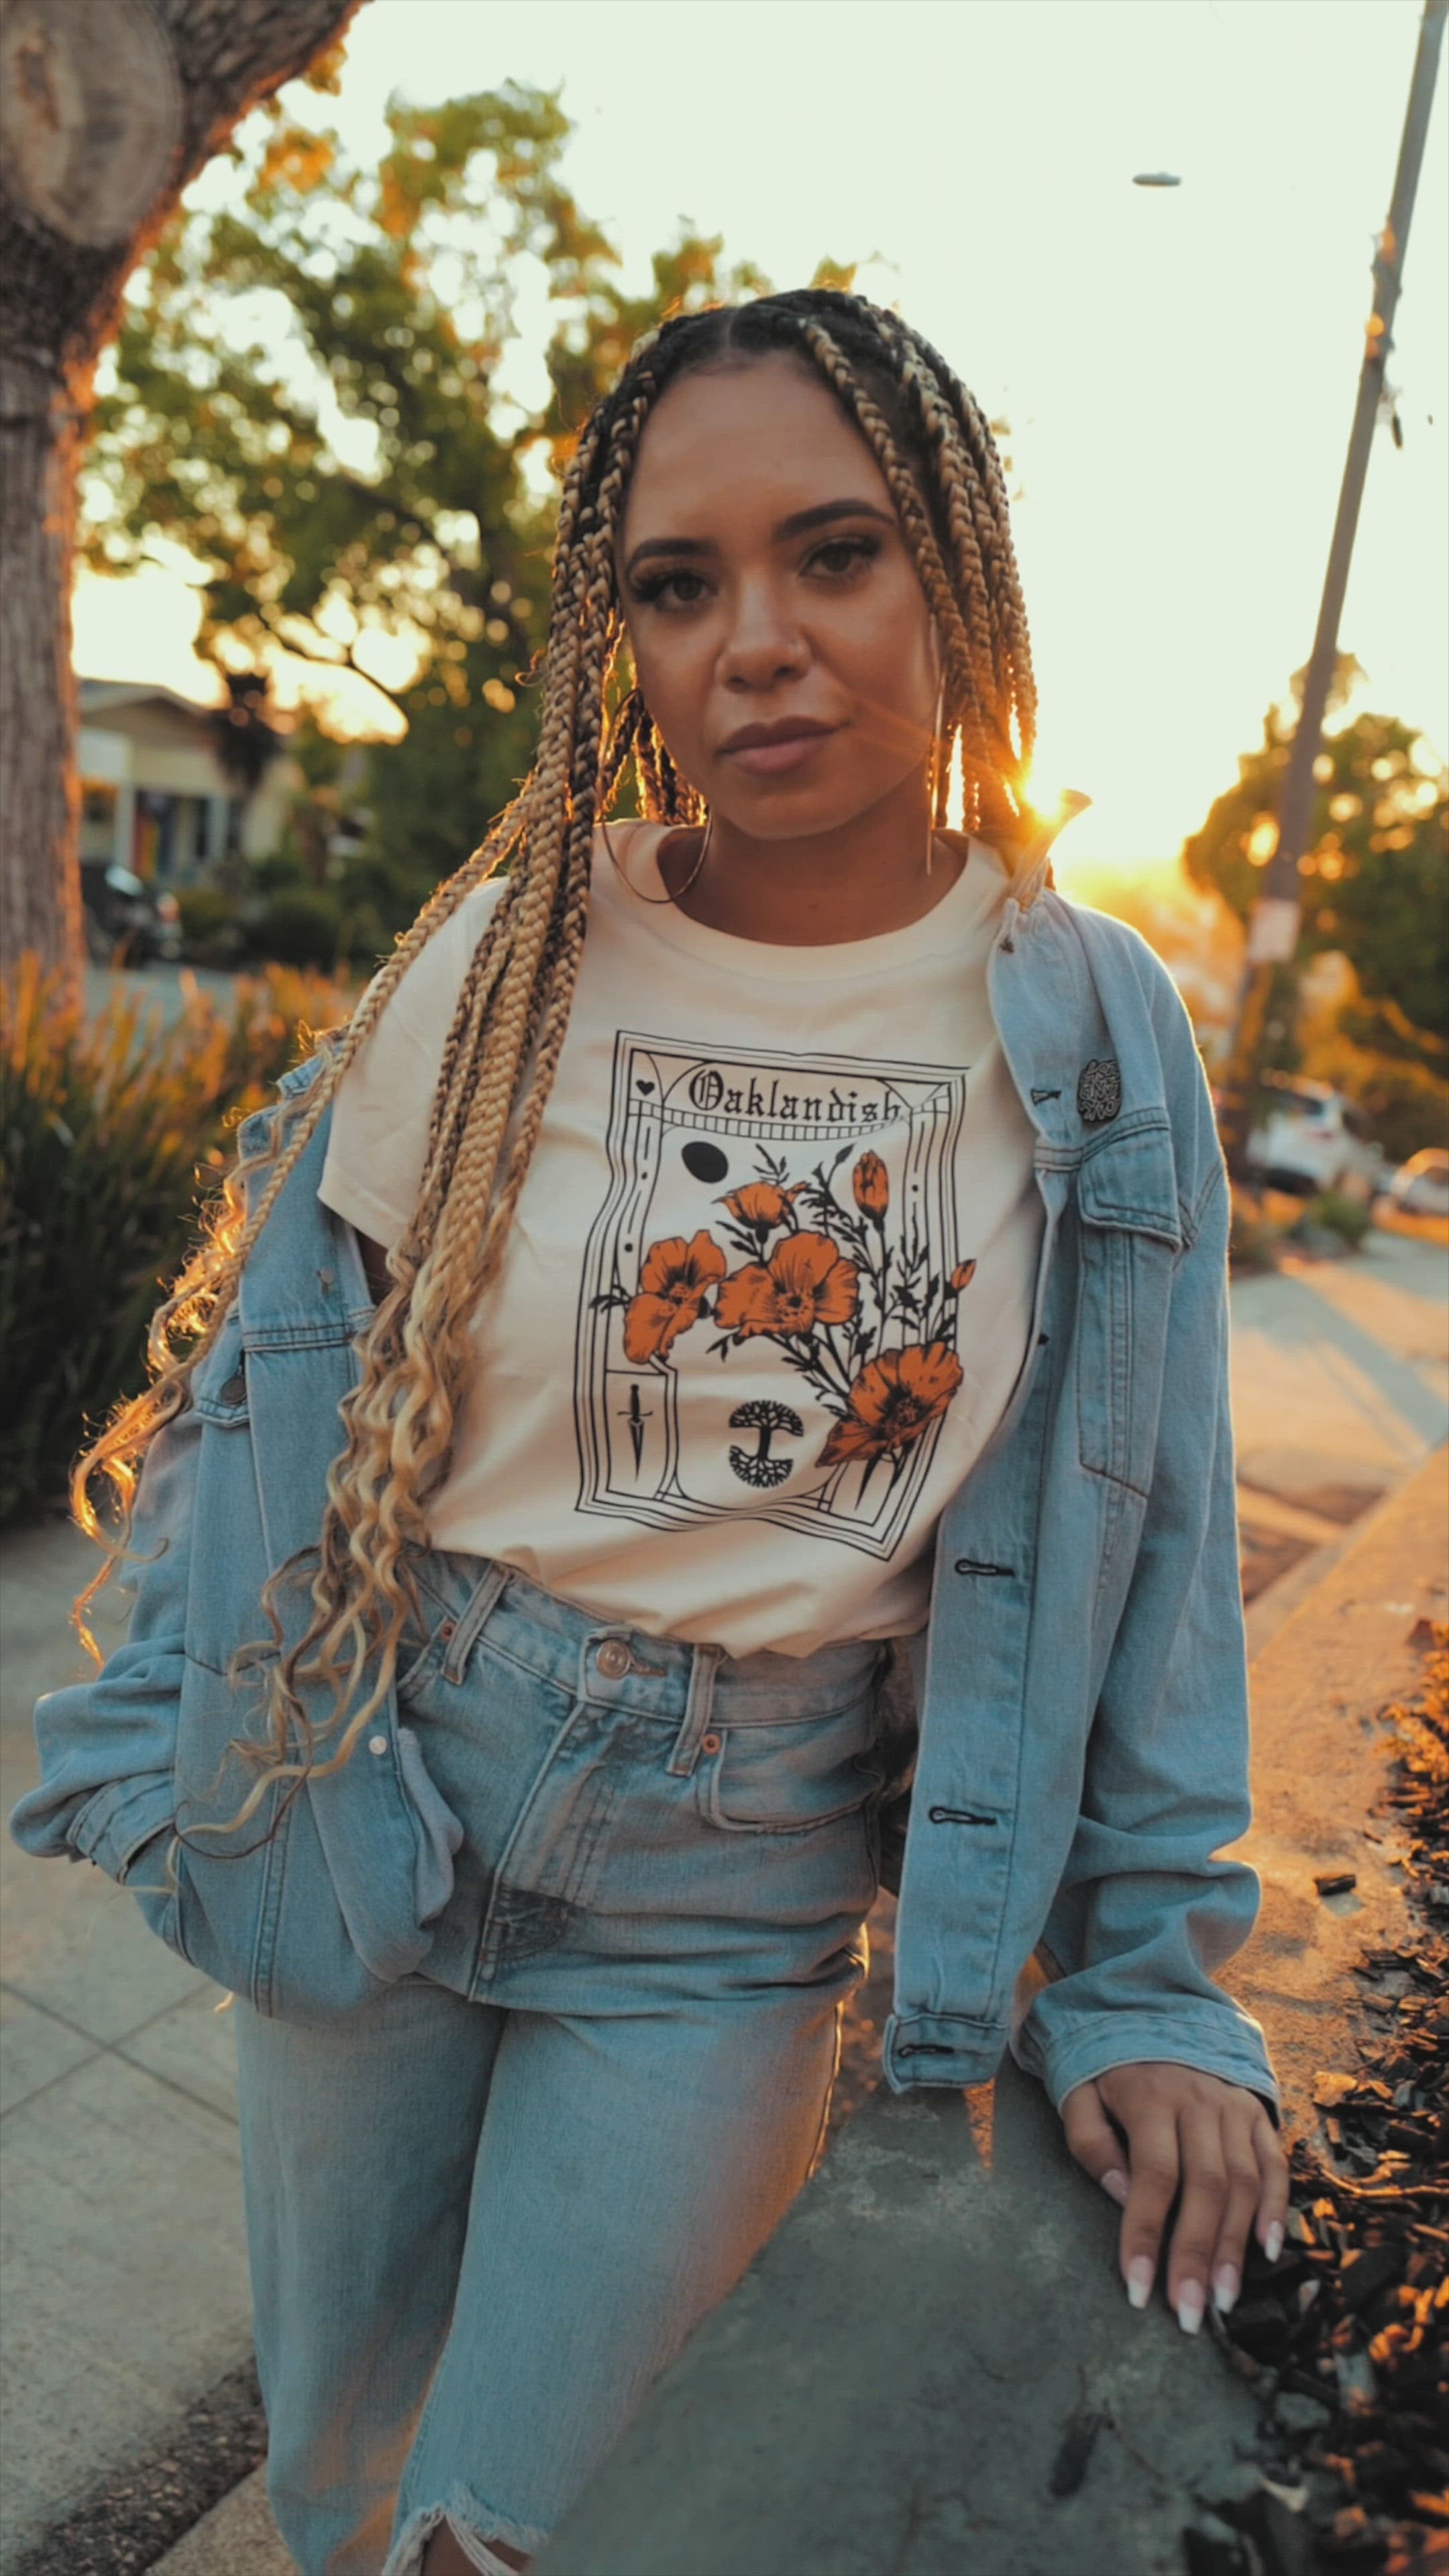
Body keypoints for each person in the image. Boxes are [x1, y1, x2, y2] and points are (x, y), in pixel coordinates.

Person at [12, 288, 1287, 2576]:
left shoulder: (1091, 1036)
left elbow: (1159, 1540)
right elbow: (271, 1375)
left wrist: (1150, 1984)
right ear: (620, 636)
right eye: (678, 586)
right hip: (387, 1778)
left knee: (523, 2535)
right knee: (342, 2493)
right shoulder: (513, 955)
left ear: (960, 577)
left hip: (728, 1895)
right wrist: (188, 1733)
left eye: (837, 553)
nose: (758, 643)